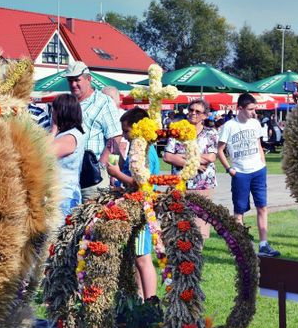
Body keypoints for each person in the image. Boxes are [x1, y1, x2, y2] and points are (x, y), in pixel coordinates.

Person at [217, 93, 280, 257]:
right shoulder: (229, 126)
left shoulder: (255, 123)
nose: (254, 112)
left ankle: (264, 244)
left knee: (262, 206)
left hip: (258, 170)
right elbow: (220, 150)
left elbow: (259, 144)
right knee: (239, 211)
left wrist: (263, 164)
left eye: (255, 109)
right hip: (240, 173)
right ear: (240, 108)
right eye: (250, 109)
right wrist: (229, 169)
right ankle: (241, 246)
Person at [106, 108, 158, 300]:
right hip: (134, 205)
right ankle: (140, 298)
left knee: (143, 258)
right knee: (136, 258)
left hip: (143, 209)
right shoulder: (137, 148)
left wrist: (117, 174)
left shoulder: (146, 152)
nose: (125, 137)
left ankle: (150, 299)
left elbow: (141, 184)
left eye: (127, 131)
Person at [61, 61, 122, 201]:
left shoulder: (103, 102)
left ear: (89, 79)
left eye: (77, 80)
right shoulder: (67, 103)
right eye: (70, 80)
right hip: (68, 175)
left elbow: (115, 137)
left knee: (91, 219)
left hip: (92, 176)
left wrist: (102, 165)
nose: (73, 84)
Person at [164, 99, 218, 242]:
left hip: (203, 185)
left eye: (198, 111)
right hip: (180, 184)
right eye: (191, 110)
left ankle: (195, 260)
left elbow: (211, 157)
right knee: (179, 225)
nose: (193, 113)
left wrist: (183, 157)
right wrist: (194, 163)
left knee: (200, 227)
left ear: (205, 115)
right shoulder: (177, 131)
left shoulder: (210, 133)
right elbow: (168, 156)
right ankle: (180, 259)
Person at [50, 94, 86, 217]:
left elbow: (45, 153)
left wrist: (53, 129)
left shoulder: (71, 136)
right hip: (59, 194)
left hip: (64, 196)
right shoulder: (67, 134)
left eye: (54, 110)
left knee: (56, 234)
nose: (52, 114)